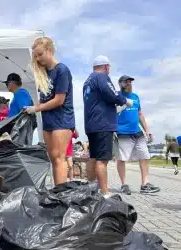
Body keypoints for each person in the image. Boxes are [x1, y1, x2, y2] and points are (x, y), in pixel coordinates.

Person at [25, 36, 75, 185]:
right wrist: (31, 107)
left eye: (40, 54)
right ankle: (57, 189)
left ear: (50, 50)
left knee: (60, 157)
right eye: (36, 56)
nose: (38, 59)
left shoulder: (62, 70)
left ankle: (61, 194)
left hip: (62, 119)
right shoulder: (43, 73)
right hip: (48, 120)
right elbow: (45, 99)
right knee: (53, 157)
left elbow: (59, 100)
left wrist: (36, 108)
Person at [83, 56, 133, 197]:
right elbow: (112, 94)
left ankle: (91, 190)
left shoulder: (88, 81)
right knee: (102, 160)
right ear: (105, 66)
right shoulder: (102, 77)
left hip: (91, 124)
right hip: (103, 124)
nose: (109, 70)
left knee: (93, 157)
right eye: (109, 67)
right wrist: (125, 101)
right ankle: (105, 194)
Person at [115, 75, 160, 194]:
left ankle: (145, 184)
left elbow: (140, 114)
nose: (129, 84)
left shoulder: (135, 97)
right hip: (122, 132)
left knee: (145, 156)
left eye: (130, 82)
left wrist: (147, 130)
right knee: (122, 158)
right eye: (126, 82)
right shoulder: (116, 96)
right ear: (120, 83)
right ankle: (124, 184)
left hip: (137, 131)